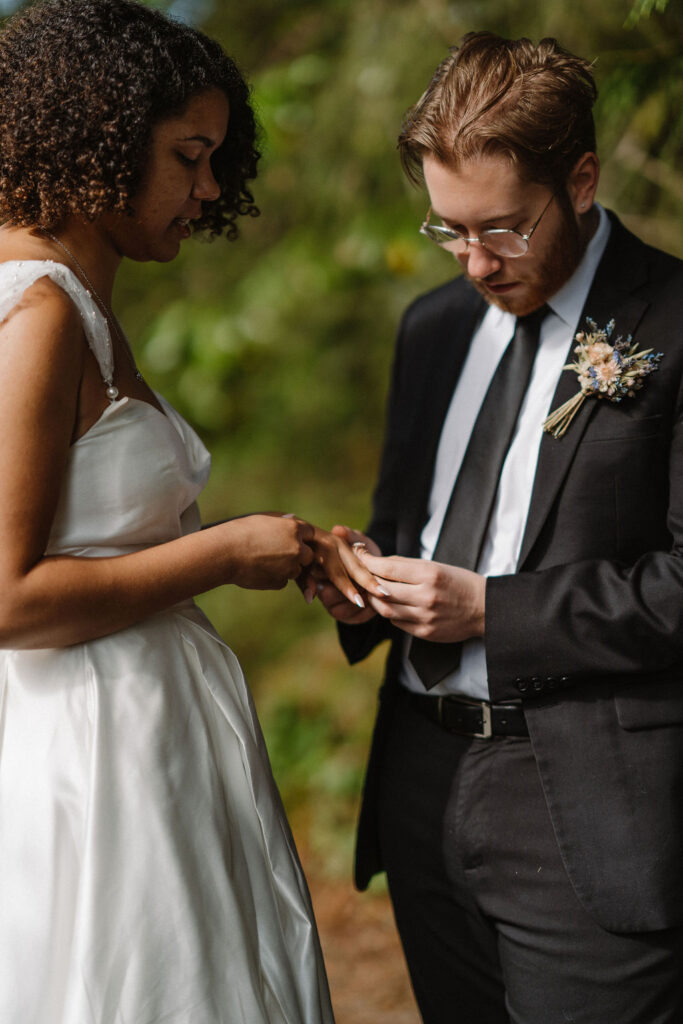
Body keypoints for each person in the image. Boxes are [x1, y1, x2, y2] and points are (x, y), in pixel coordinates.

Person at [0, 1, 383, 1021]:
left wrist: (279, 546)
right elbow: (9, 597)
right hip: (95, 753)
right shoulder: (35, 315)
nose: (208, 188)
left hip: (152, 727)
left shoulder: (79, 303)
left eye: (216, 157)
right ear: (98, 140)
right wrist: (218, 554)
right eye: (187, 155)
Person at [317, 31, 683, 1024]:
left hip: (586, 801)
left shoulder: (673, 323)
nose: (474, 262)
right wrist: (358, 574)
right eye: (447, 229)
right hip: (421, 782)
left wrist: (489, 611)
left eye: (502, 230)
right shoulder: (430, 330)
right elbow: (411, 519)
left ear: (579, 179)